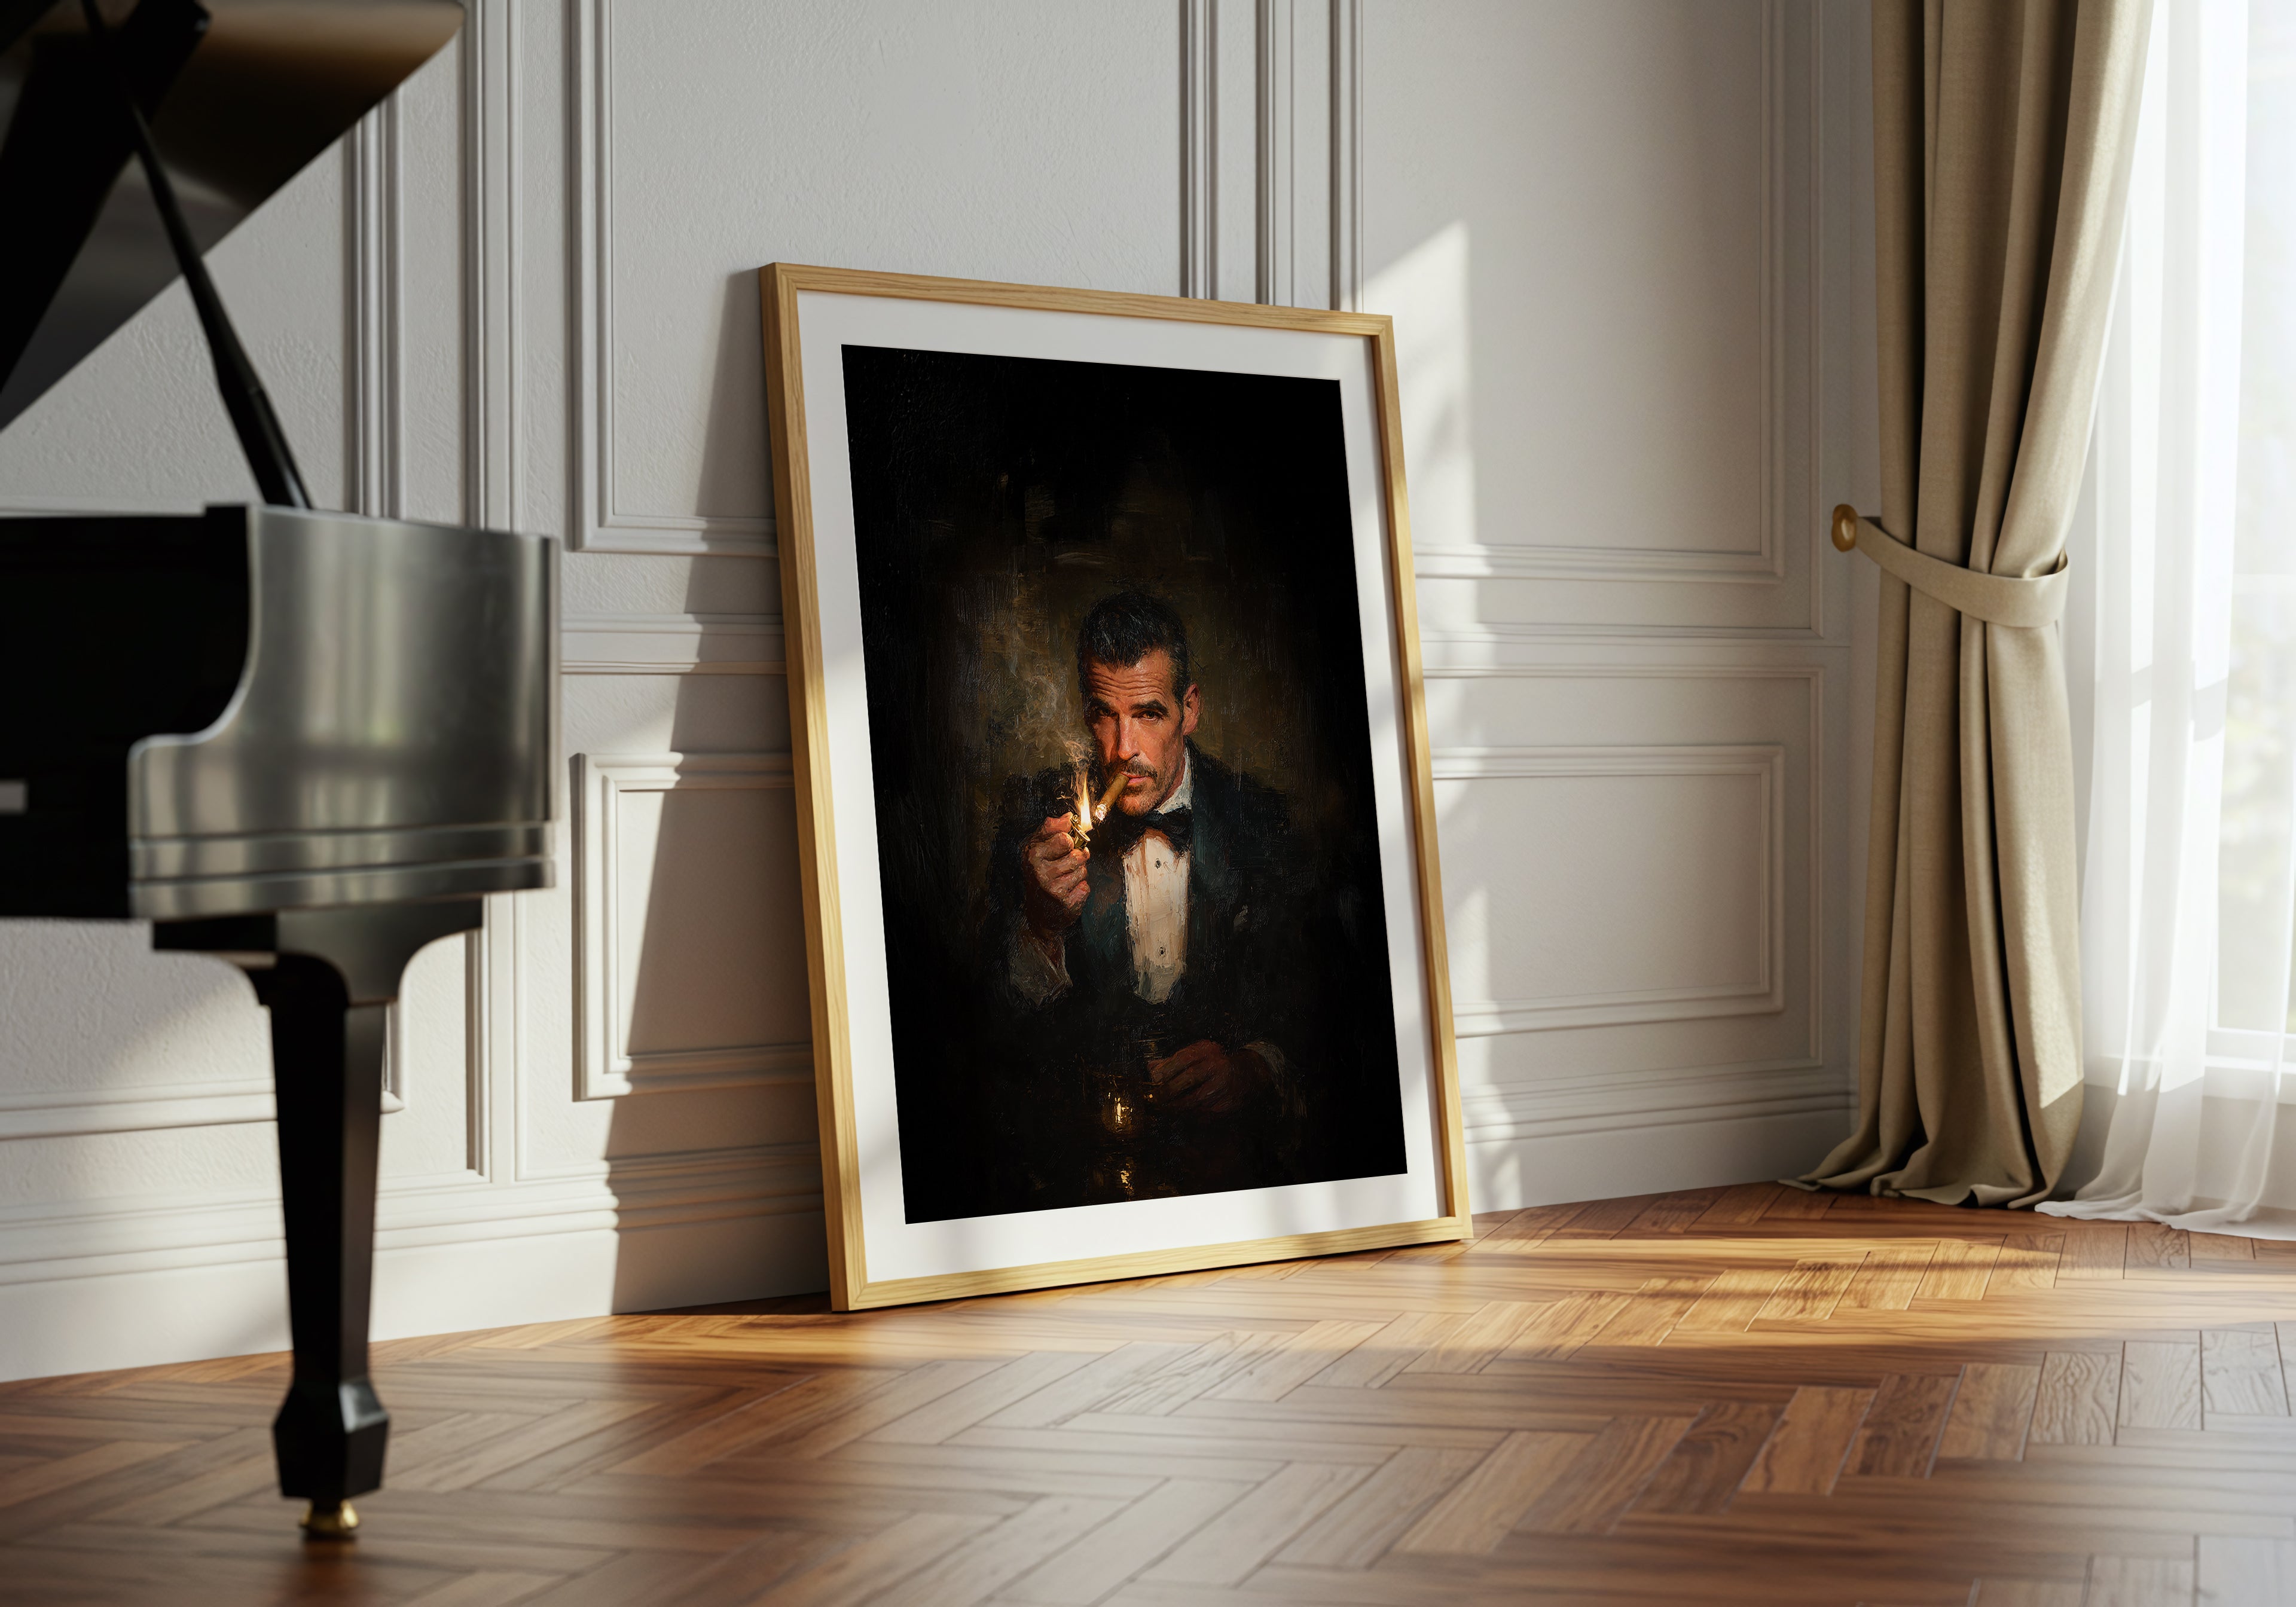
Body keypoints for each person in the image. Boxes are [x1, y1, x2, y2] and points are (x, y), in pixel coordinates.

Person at [979, 590, 1334, 1208]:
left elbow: (1321, 1015)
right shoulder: (1031, 824)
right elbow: (989, 1040)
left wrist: (1253, 1069)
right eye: (1104, 715)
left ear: (1189, 709)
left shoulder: (1264, 824)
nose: (1124, 748)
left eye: (1148, 713)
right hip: (1082, 1184)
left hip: (1237, 1184)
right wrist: (1041, 929)